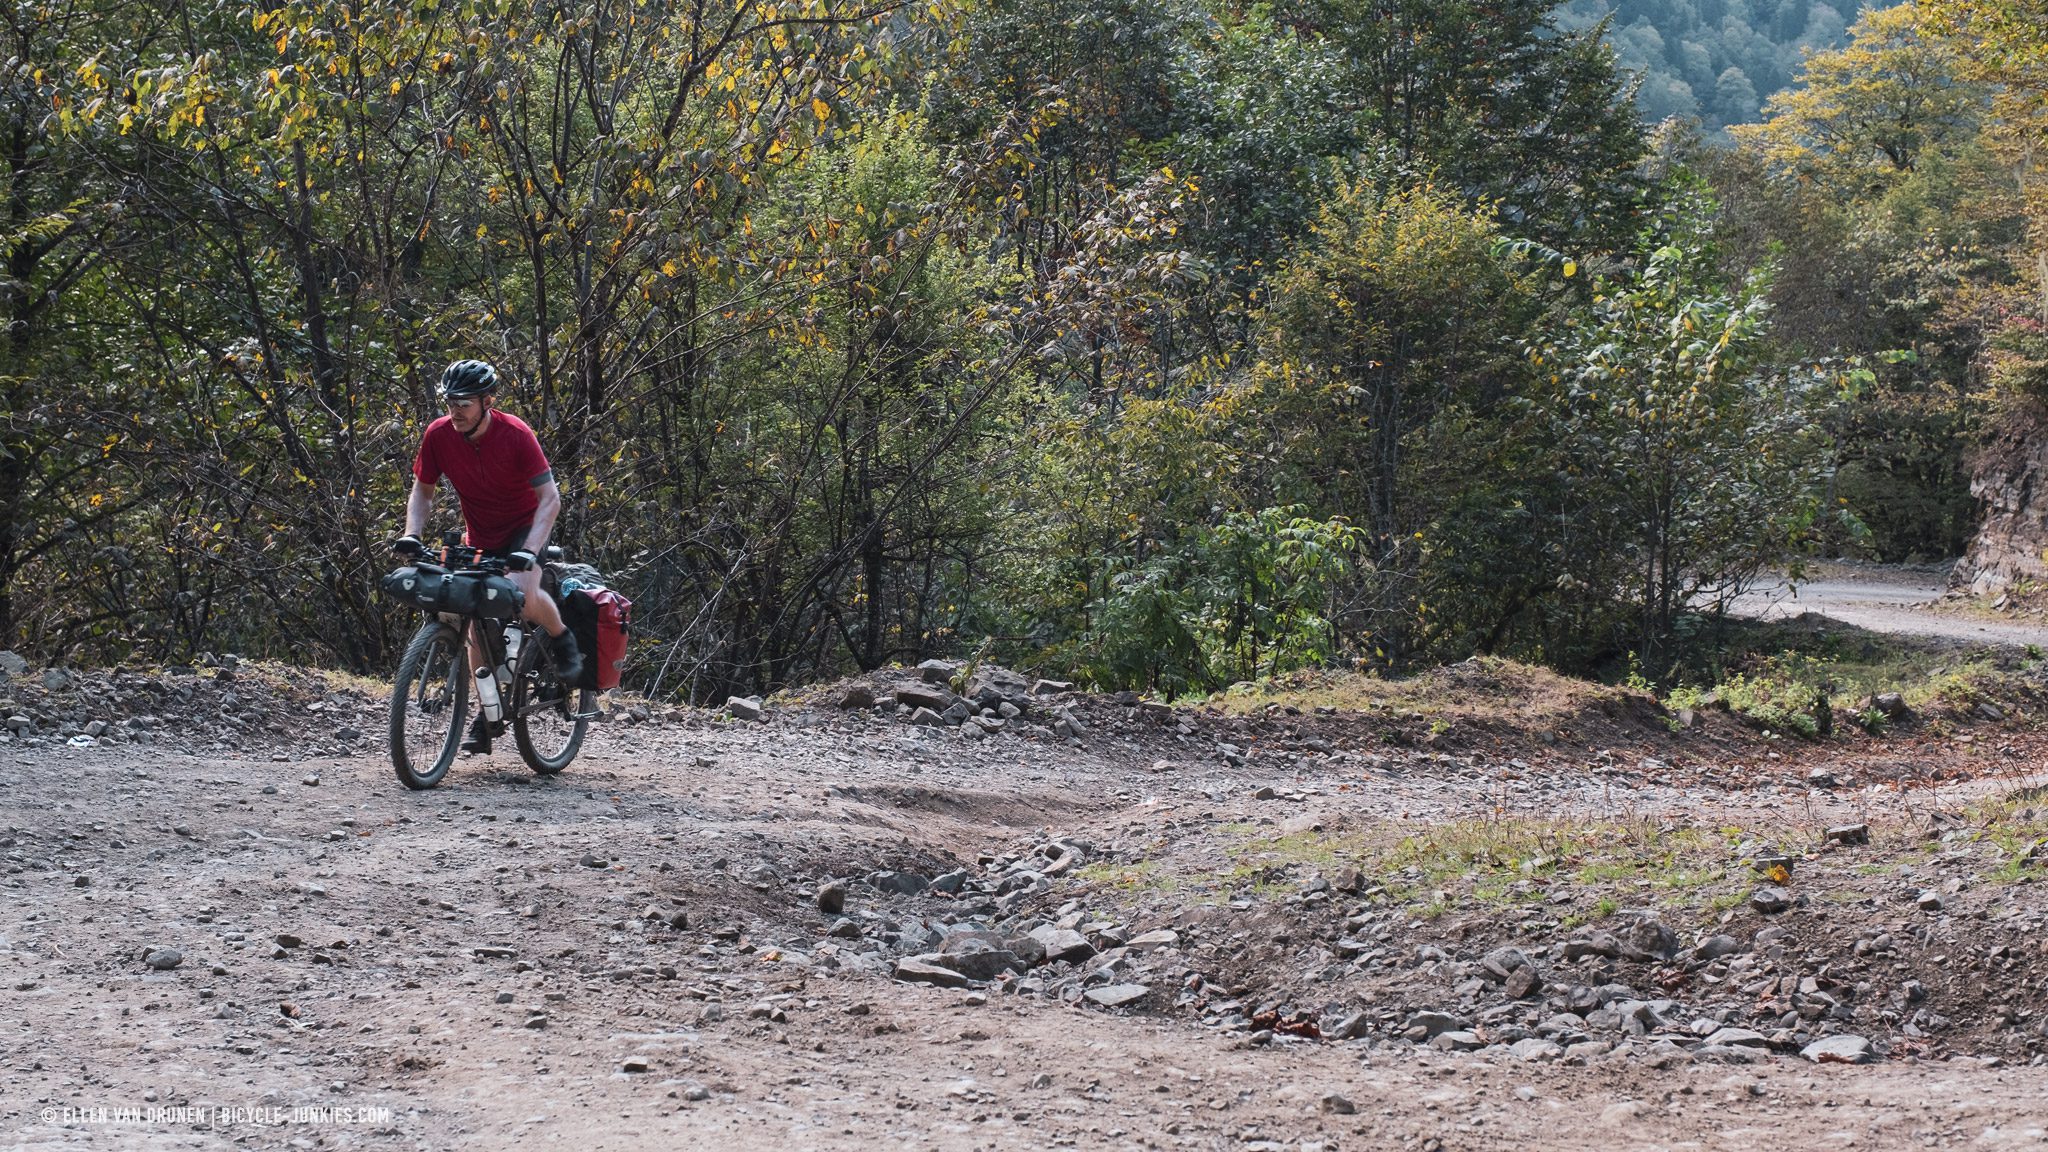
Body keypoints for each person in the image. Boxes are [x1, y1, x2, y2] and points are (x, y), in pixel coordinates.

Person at [393, 359, 583, 753]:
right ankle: (488, 712)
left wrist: (529, 552)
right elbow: (422, 491)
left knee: (524, 594)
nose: (455, 410)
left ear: (487, 401)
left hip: (523, 532)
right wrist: (411, 534)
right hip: (478, 535)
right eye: (449, 401)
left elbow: (551, 500)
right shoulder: (438, 435)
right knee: (466, 611)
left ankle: (561, 637)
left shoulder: (515, 434)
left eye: (463, 402)